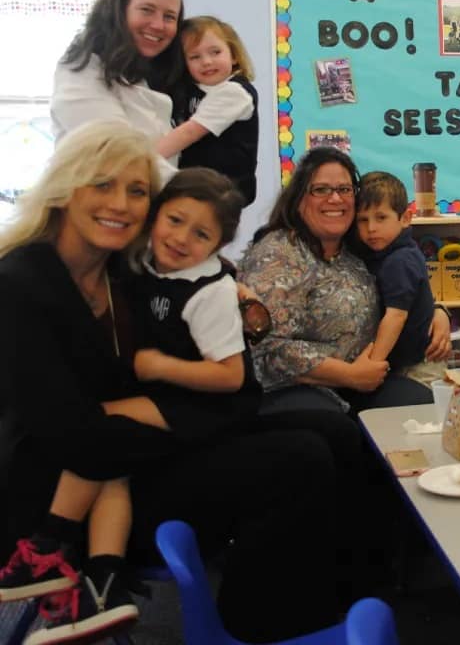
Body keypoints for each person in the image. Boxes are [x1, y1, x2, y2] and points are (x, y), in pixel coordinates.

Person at [0, 120, 342, 642]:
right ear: (65, 186)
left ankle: (367, 584)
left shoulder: (122, 267)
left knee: (334, 432)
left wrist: (240, 293)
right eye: (103, 184)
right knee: (300, 458)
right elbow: (76, 435)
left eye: (137, 191)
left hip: (131, 447)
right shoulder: (21, 283)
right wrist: (193, 416)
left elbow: (195, 267)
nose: (121, 203)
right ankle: (257, 623)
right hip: (66, 498)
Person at [238, 146, 452, 416]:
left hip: (366, 378)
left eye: (344, 189)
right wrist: (350, 375)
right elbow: (267, 347)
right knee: (328, 428)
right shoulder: (279, 253)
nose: (335, 198)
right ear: (299, 198)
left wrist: (437, 311)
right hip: (296, 386)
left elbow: (401, 293)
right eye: (321, 189)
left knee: (421, 408)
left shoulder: (359, 246)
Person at [49, 0, 229, 177]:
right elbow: (118, 155)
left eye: (170, 17)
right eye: (147, 10)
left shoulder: (151, 73)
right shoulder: (83, 70)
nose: (158, 25)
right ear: (118, 10)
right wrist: (199, 198)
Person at [132, 167, 260, 442]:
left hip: (212, 405)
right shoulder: (143, 261)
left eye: (201, 235)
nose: (181, 239)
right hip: (167, 391)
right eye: (175, 220)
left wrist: (158, 366)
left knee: (100, 420)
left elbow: (231, 376)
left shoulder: (212, 291)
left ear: (219, 244)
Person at [355, 171, 444, 387]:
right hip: (407, 364)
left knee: (421, 419)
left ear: (405, 218)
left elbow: (395, 317)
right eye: (363, 220)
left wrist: (373, 365)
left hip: (417, 369)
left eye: (381, 217)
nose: (371, 228)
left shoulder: (399, 260)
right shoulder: (387, 251)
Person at [172, 17, 259, 206]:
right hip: (196, 188)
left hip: (224, 192)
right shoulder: (191, 90)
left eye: (215, 52)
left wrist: (139, 159)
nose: (207, 62)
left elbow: (189, 133)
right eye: (195, 57)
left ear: (234, 55)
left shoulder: (234, 92)